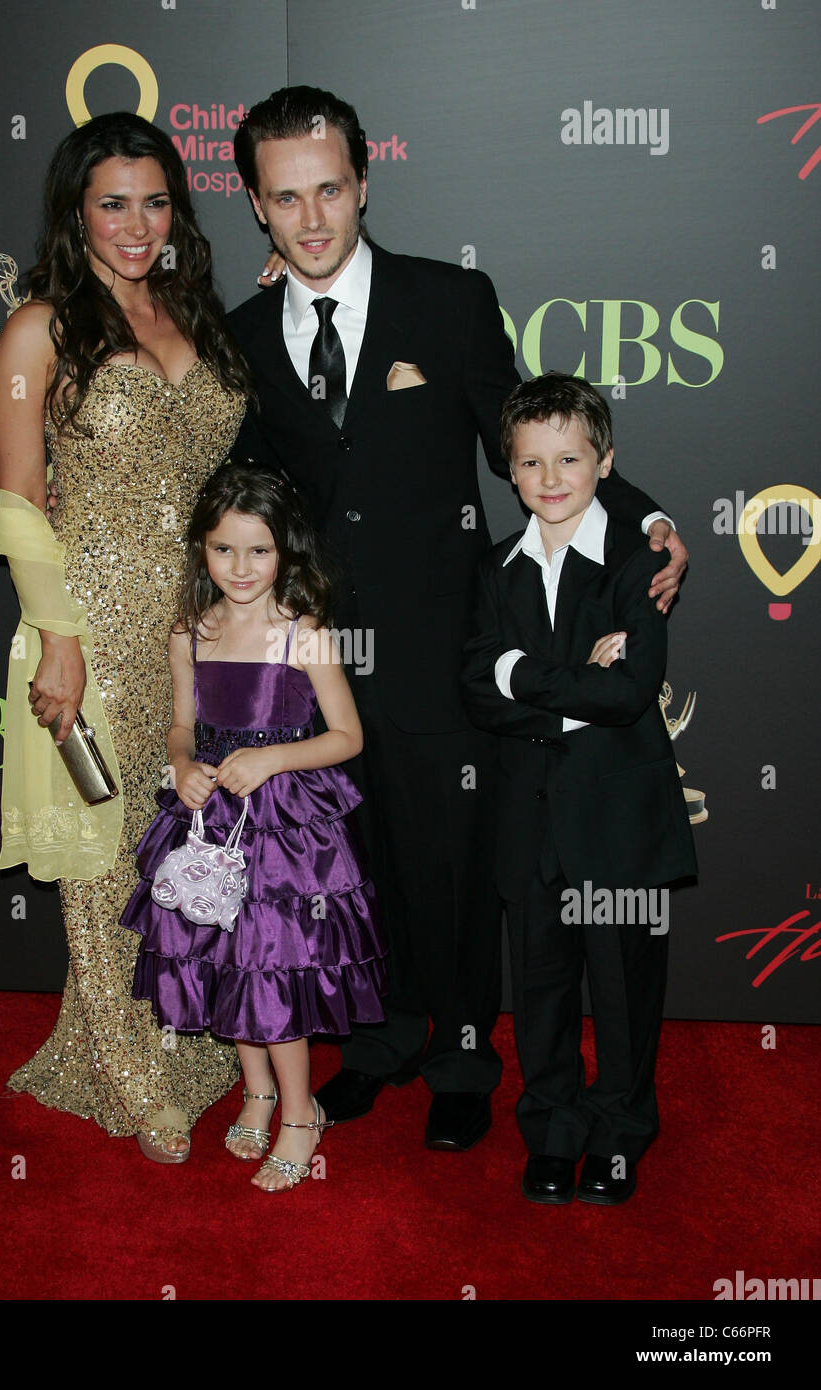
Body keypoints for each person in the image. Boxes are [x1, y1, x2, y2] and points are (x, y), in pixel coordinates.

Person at [226, 85, 690, 1150]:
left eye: (330, 189)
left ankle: (467, 1051)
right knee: (359, 858)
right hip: (321, 662)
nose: (311, 219)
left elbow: (536, 443)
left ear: (365, 182)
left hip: (446, 652)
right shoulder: (242, 331)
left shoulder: (448, 300)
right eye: (285, 197)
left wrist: (650, 518)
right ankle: (383, 1041)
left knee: (459, 863)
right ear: (254, 203)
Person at [0, 111, 253, 1163]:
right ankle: (134, 1076)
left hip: (200, 627)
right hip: (91, 629)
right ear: (75, 213)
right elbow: (16, 502)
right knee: (102, 858)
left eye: (153, 200)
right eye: (112, 203)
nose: (136, 224)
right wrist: (57, 638)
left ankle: (175, 1040)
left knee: (179, 843)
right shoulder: (40, 327)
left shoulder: (196, 312)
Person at [461, 372, 697, 1204]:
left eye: (570, 458)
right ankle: (553, 1128)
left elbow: (628, 691)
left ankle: (623, 1132)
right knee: (543, 991)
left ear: (605, 464)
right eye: (531, 463)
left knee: (625, 989)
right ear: (510, 470)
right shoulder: (495, 568)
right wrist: (560, 679)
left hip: (620, 827)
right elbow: (475, 690)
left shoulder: (638, 565)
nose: (551, 478)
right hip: (529, 828)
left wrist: (522, 675)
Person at [119, 462, 386, 1191]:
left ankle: (301, 1111)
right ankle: (258, 1091)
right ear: (201, 551)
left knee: (275, 969)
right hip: (210, 822)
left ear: (285, 552)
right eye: (223, 549)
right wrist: (181, 768)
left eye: (258, 550)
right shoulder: (190, 633)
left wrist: (272, 763)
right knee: (221, 961)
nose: (241, 567)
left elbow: (347, 737)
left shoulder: (305, 631)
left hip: (288, 829)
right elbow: (181, 728)